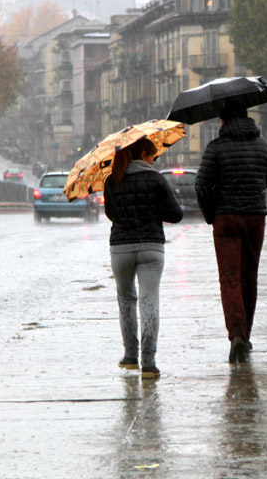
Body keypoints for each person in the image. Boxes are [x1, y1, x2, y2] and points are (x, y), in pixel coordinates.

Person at [195, 101, 267, 364]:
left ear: (224, 121)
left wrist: (211, 214)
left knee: (229, 279)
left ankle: (237, 336)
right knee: (249, 277)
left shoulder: (215, 148)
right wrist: (253, 183)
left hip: (226, 219)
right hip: (255, 217)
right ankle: (246, 336)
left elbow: (201, 186)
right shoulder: (264, 146)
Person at [104, 137, 184, 379]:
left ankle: (130, 356)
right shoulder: (156, 179)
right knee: (149, 301)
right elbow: (176, 215)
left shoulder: (112, 180)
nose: (154, 160)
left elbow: (111, 214)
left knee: (126, 300)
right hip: (151, 247)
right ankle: (148, 363)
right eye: (152, 156)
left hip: (121, 249)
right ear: (143, 155)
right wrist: (153, 210)